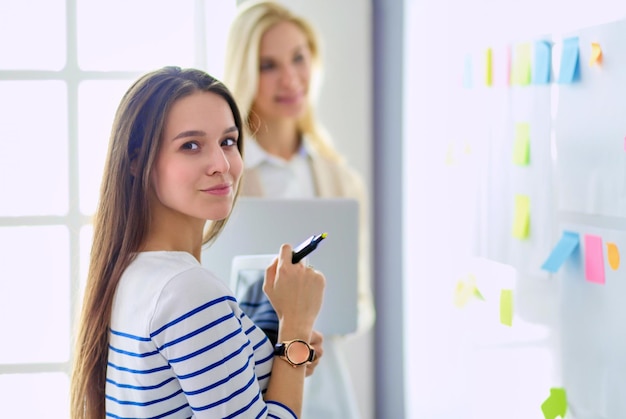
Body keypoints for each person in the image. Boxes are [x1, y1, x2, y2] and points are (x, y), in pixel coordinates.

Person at [69, 66, 327, 419]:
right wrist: (296, 328)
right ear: (134, 160)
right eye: (191, 145)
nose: (221, 164)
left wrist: (283, 357)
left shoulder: (130, 273)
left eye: (228, 142)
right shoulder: (188, 290)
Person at [223, 2, 376, 418]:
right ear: (244, 71)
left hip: (326, 387)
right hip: (245, 381)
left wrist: (319, 322)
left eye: (298, 58)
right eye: (268, 65)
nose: (290, 78)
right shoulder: (223, 178)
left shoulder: (342, 180)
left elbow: (359, 305)